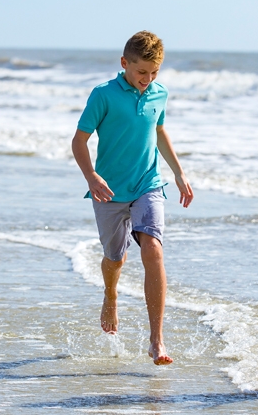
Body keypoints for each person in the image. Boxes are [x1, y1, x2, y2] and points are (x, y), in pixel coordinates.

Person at [71, 31, 193, 366]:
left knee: (153, 250)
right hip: (108, 189)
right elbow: (78, 142)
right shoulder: (103, 96)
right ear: (125, 63)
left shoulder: (159, 93)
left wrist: (179, 173)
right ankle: (110, 293)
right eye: (142, 72)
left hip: (148, 184)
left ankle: (157, 341)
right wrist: (92, 177)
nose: (148, 79)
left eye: (154, 73)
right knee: (115, 259)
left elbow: (159, 130)